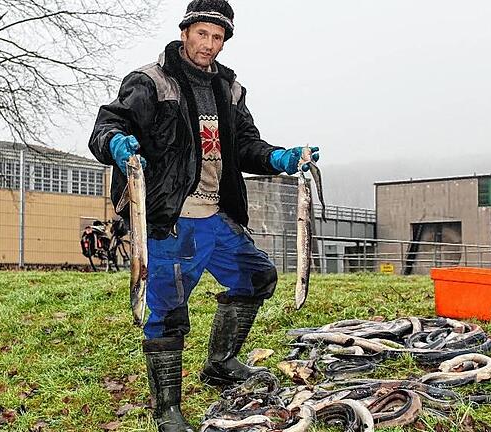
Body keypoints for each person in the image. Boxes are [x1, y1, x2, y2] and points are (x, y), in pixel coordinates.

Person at [88, 1, 320, 430]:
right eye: (202, 34)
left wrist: (281, 157)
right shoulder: (151, 82)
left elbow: (247, 145)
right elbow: (106, 127)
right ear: (185, 32)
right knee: (167, 311)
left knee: (257, 278)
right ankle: (168, 410)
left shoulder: (229, 90)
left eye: (218, 38)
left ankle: (221, 362)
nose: (208, 45)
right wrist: (118, 144)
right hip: (169, 218)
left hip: (216, 215)